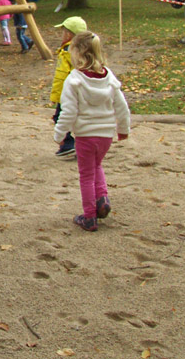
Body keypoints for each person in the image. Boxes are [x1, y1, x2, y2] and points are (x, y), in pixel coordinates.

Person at [54, 31, 130, 232]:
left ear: (78, 53)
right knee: (97, 165)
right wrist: (123, 129)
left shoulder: (74, 79)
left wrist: (59, 134)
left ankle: (89, 216)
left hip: (86, 136)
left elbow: (68, 111)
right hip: (105, 135)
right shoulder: (108, 76)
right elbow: (121, 105)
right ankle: (102, 198)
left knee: (86, 174)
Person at [50, 15, 88, 157]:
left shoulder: (68, 52)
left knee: (60, 118)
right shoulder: (85, 50)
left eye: (64, 32)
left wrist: (57, 96)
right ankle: (82, 145)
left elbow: (62, 76)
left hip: (68, 94)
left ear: (69, 34)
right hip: (81, 92)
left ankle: (67, 144)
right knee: (79, 119)